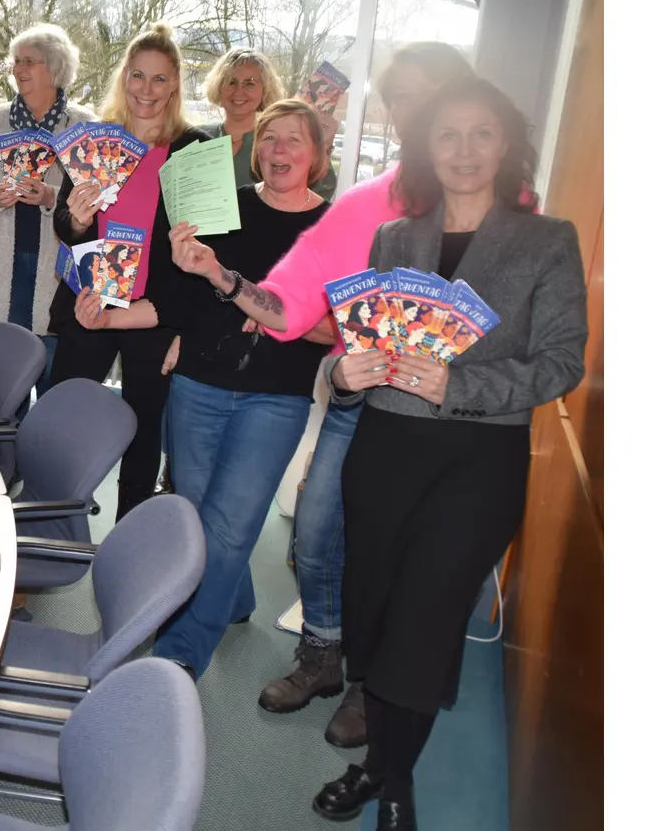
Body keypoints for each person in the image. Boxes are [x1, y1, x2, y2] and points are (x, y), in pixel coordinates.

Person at [309, 77, 585, 831]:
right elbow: (351, 349)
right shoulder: (395, 240)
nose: (464, 151)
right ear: (426, 149)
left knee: (425, 619)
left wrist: (459, 380)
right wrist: (343, 372)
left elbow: (563, 362)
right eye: (447, 136)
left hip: (477, 459)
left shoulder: (547, 240)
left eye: (482, 134)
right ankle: (379, 764)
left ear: (507, 146)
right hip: (386, 449)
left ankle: (392, 781)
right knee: (377, 605)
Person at [190, 42, 476, 747]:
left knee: (405, 551)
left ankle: (373, 687)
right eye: (399, 97)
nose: (412, 110)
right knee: (317, 534)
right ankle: (323, 651)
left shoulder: (500, 202)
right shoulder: (362, 204)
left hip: (452, 413)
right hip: (358, 398)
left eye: (425, 94)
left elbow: (516, 322)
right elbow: (288, 304)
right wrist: (224, 280)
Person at [85, 100, 330, 675]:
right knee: (198, 516)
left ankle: (175, 660)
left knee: (227, 526)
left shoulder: (331, 228)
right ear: (254, 150)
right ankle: (235, 596)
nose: (279, 151)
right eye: (269, 139)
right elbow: (174, 302)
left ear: (316, 154)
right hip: (200, 384)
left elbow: (329, 327)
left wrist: (255, 299)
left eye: (294, 140)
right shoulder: (226, 211)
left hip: (276, 395)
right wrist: (109, 318)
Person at [50, 22, 209, 521]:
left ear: (176, 84)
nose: (146, 89)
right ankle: (53, 523)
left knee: (143, 434)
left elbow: (209, 246)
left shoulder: (193, 149)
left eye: (160, 79)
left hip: (154, 315)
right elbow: (64, 222)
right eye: (137, 76)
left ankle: (131, 542)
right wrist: (75, 217)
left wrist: (186, 326)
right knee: (63, 422)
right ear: (123, 79)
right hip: (89, 302)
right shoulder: (99, 141)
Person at [0, 24, 96, 404]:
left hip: (54, 276)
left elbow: (97, 198)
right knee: (0, 399)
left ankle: (42, 463)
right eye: (15, 61)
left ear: (53, 68)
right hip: (0, 270)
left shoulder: (85, 124)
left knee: (52, 397)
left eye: (28, 62)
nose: (18, 69)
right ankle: (2, 465)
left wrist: (51, 195)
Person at [198, 47, 338, 200]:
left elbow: (318, 195)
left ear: (265, 89)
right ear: (218, 87)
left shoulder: (280, 142)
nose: (239, 90)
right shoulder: (196, 138)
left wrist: (322, 147)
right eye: (231, 82)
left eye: (249, 83)